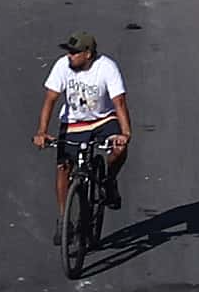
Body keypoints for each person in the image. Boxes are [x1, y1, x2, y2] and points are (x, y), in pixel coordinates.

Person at [35, 34, 129, 208]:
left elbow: (119, 102)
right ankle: (64, 219)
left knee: (119, 149)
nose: (69, 56)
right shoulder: (62, 65)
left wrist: (125, 133)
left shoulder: (107, 67)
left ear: (88, 54)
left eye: (74, 53)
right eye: (69, 52)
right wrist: (42, 131)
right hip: (74, 122)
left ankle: (109, 180)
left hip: (103, 119)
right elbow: (50, 99)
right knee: (63, 166)